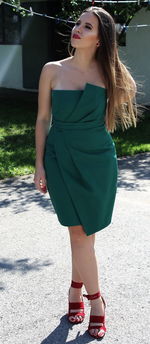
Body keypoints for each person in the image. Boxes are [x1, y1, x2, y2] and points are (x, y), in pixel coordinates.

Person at [34, 6, 137, 340]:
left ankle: (75, 291)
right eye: (77, 23)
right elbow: (42, 119)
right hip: (60, 158)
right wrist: (39, 163)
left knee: (83, 237)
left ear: (100, 38)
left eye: (87, 26)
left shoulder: (109, 73)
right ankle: (97, 303)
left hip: (97, 161)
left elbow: (130, 90)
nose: (77, 29)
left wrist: (110, 64)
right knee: (79, 235)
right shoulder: (52, 70)